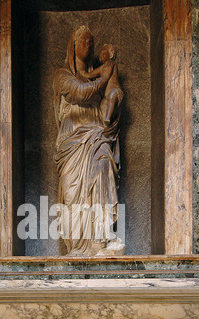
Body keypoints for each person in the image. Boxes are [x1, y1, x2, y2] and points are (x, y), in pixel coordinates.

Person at [53, 26, 125, 256]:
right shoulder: (62, 75)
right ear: (72, 45)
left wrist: (115, 99)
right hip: (72, 142)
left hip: (97, 136)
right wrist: (106, 76)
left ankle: (101, 239)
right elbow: (80, 93)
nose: (88, 44)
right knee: (72, 191)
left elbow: (109, 108)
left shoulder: (99, 76)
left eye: (91, 41)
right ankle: (76, 246)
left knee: (104, 167)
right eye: (83, 40)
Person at [80, 44, 124, 126]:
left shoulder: (110, 64)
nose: (101, 56)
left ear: (110, 55)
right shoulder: (102, 67)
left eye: (104, 53)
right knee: (103, 105)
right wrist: (84, 73)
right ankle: (105, 125)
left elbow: (105, 77)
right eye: (100, 54)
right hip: (106, 96)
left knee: (112, 96)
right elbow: (91, 74)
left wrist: (97, 81)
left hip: (115, 91)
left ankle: (108, 117)